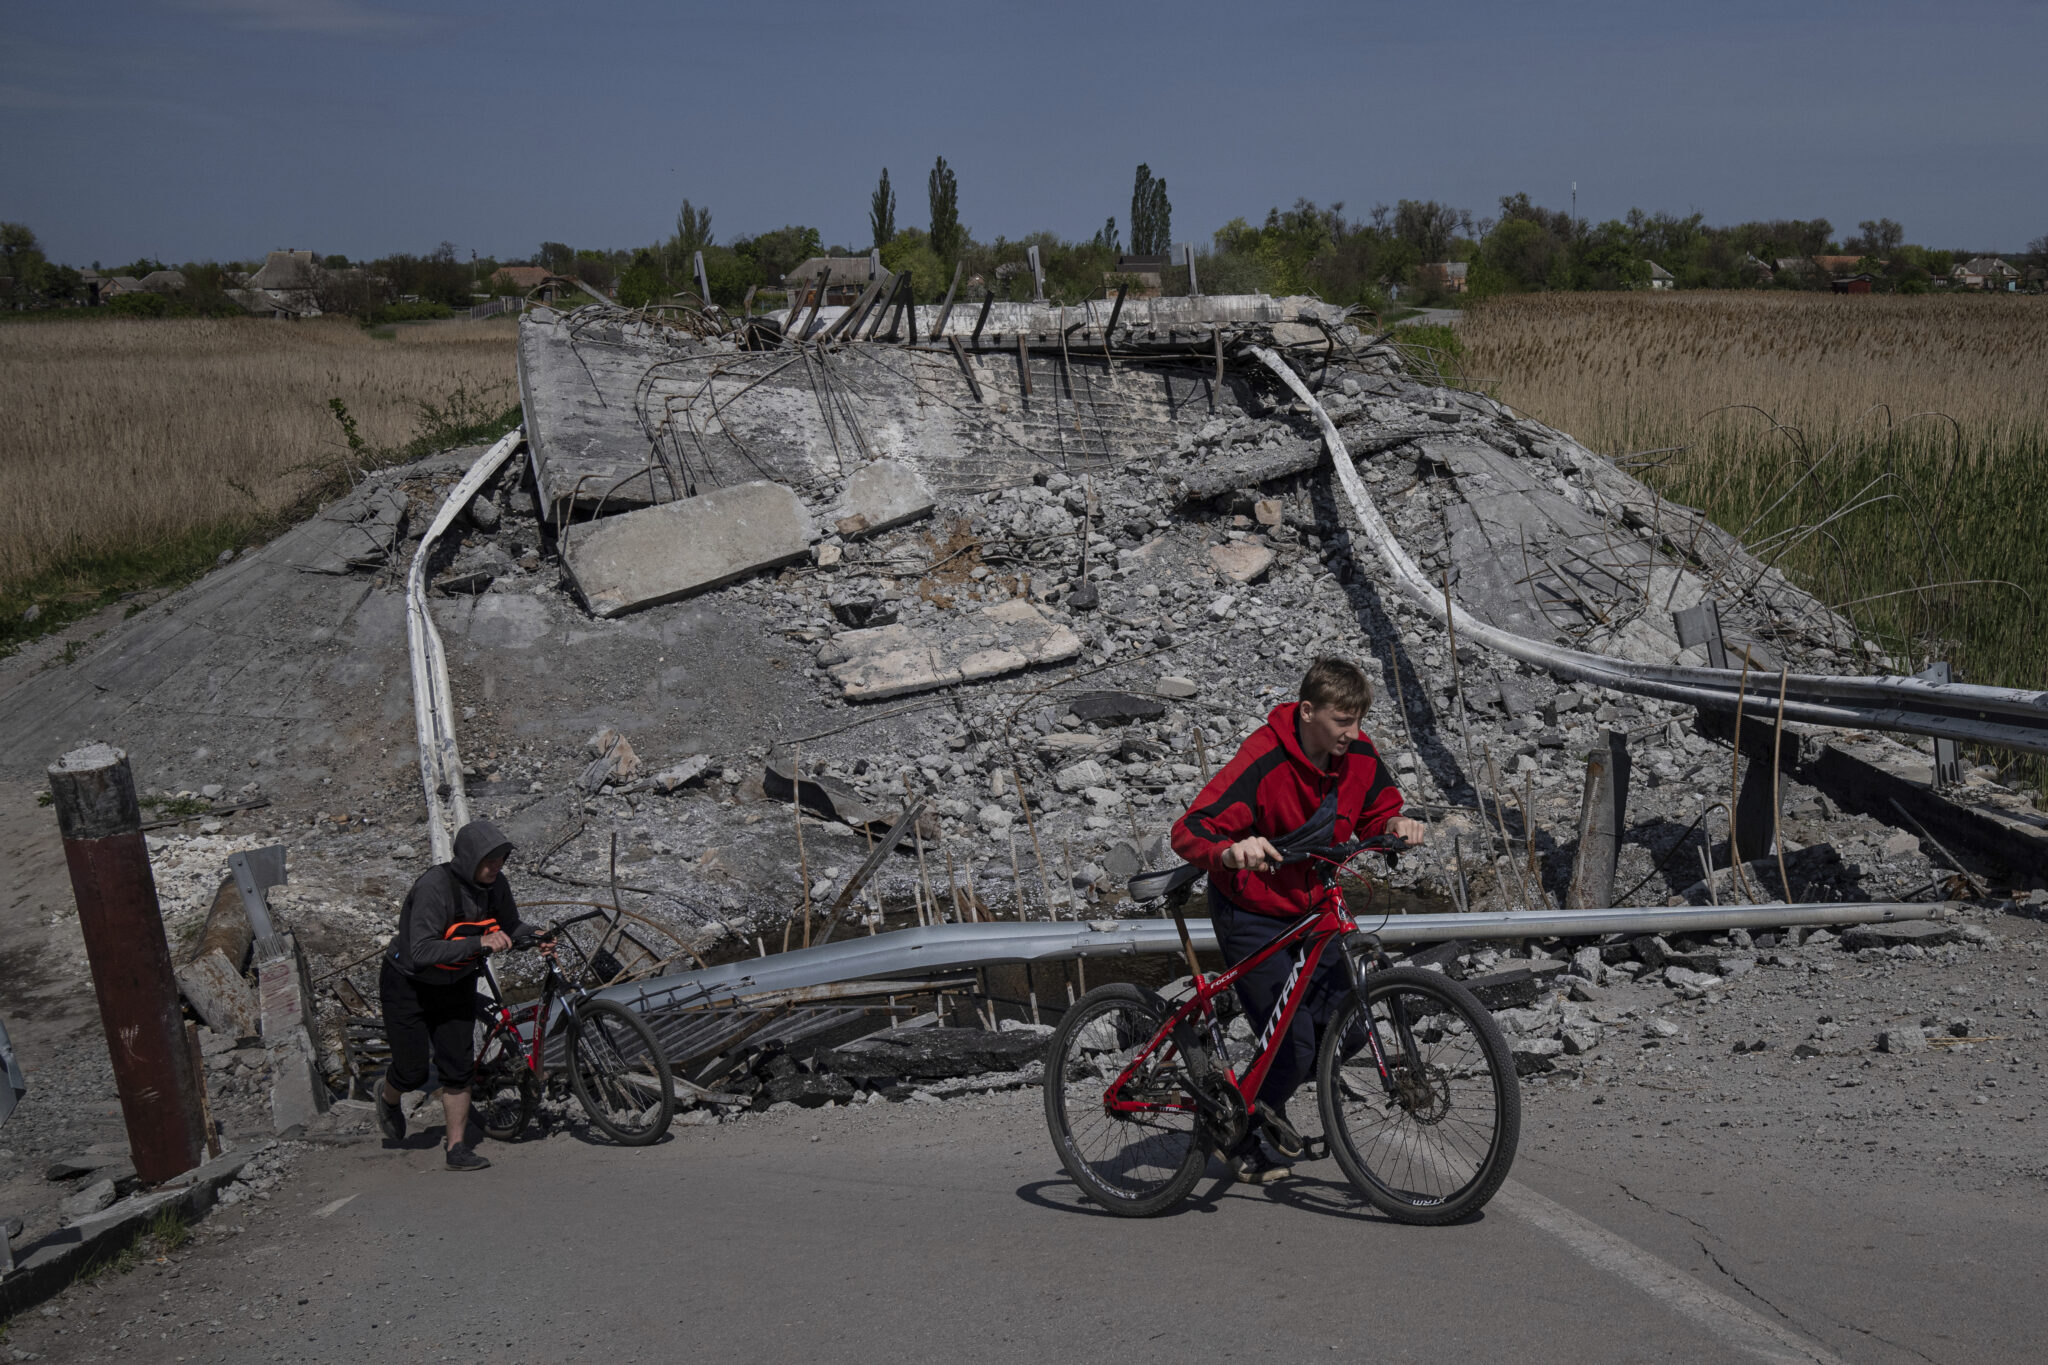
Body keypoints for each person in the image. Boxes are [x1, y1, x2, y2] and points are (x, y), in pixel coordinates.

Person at [1170, 656, 1426, 1183]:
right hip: (1252, 910)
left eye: (1358, 720)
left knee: (1348, 1025)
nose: (1353, 733)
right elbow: (1191, 828)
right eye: (1342, 720)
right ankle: (1239, 1131)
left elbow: (1378, 805)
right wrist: (1230, 851)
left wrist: (1396, 820)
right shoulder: (1263, 758)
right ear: (1308, 711)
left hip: (1315, 906)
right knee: (1292, 1042)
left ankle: (1260, 1102)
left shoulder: (1357, 753)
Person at [376, 820, 523, 1171]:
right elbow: (423, 951)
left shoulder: (496, 884)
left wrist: (538, 935)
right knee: (412, 1072)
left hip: (457, 982)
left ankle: (456, 1148)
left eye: (500, 860)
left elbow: (511, 926)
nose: (495, 868)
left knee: (458, 1068)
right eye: (489, 862)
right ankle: (388, 1095)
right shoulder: (433, 887)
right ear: (469, 858)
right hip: (407, 983)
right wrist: (480, 942)